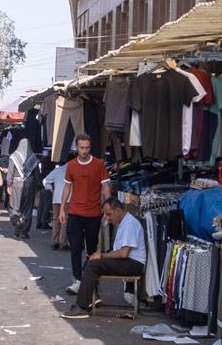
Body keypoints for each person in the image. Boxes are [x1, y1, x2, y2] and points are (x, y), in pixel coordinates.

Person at [59, 199, 144, 319]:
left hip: (133, 264)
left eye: (109, 214)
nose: (107, 218)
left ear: (118, 211)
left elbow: (124, 253)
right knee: (90, 261)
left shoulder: (129, 223)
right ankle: (90, 299)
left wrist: (102, 256)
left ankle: (81, 306)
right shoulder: (124, 222)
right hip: (128, 261)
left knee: (94, 264)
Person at [60, 135, 108, 295]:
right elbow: (67, 188)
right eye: (82, 148)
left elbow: (106, 187)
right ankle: (77, 279)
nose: (84, 151)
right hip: (75, 213)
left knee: (91, 250)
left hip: (94, 213)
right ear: (77, 147)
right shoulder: (71, 165)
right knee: (75, 247)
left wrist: (107, 209)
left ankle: (89, 280)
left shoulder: (99, 164)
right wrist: (62, 209)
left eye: (87, 148)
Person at [41, 161, 69, 250]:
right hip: (67, 199)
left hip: (56, 199)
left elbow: (45, 181)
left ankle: (54, 242)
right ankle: (63, 243)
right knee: (64, 221)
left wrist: (52, 190)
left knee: (56, 220)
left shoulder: (57, 170)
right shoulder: (73, 169)